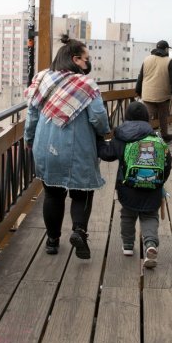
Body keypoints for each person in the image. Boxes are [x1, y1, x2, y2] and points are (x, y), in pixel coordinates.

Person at [25, 34, 111, 259]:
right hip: (79, 147)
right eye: (86, 59)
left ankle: (52, 241)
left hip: (46, 145)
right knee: (81, 192)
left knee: (52, 194)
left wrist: (28, 138)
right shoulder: (86, 85)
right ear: (75, 59)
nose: (88, 63)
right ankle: (79, 231)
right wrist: (104, 132)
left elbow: (32, 114)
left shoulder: (42, 78)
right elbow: (98, 117)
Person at [98, 101, 172, 269]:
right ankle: (150, 244)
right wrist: (159, 182)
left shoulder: (121, 136)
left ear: (127, 117)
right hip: (152, 187)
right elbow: (167, 163)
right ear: (147, 117)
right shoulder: (155, 137)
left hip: (127, 187)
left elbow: (107, 154)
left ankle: (128, 246)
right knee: (149, 216)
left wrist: (99, 140)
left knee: (127, 214)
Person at [136, 40, 172, 142]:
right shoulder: (169, 61)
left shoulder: (146, 59)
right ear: (165, 49)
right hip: (163, 95)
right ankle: (164, 135)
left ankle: (144, 136)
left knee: (147, 117)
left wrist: (138, 91)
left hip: (147, 94)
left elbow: (140, 77)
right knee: (163, 116)